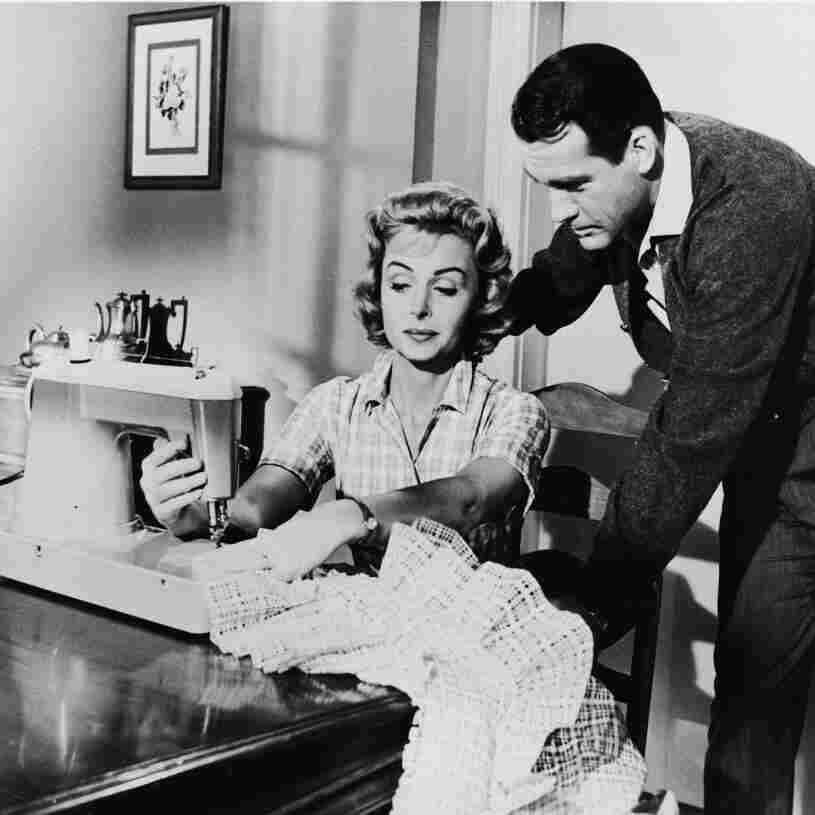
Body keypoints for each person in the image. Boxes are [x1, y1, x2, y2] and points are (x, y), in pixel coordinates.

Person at [506, 42, 815, 815]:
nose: (557, 207)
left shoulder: (751, 202)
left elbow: (692, 432)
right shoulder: (631, 175)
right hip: (763, 435)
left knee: (750, 721)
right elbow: (578, 247)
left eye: (573, 182)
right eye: (544, 184)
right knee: (749, 701)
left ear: (640, 149)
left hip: (805, 457)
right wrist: (507, 309)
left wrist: (602, 590)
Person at [140, 181, 548, 582]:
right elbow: (257, 506)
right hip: (362, 626)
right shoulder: (334, 405)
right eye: (401, 285)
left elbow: (471, 499)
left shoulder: (514, 412)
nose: (419, 308)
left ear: (482, 298)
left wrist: (355, 515)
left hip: (467, 632)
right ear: (379, 292)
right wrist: (190, 512)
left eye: (444, 288)